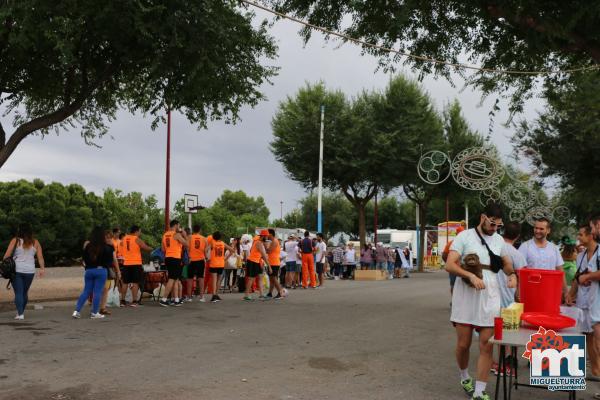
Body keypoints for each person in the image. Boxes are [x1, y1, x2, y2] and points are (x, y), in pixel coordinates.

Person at [445, 203, 516, 400]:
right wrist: (471, 276)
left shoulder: (499, 239)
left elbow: (506, 262)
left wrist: (512, 274)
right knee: (463, 344)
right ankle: (464, 376)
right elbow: (449, 265)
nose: (494, 229)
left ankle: (479, 391)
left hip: (490, 295)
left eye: (498, 226)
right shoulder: (464, 236)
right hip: (466, 295)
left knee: (487, 344)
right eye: (492, 224)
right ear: (483, 217)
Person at [490, 221, 527, 376]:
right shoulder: (517, 254)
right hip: (507, 299)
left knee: (489, 331)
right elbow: (523, 277)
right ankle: (504, 365)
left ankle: (494, 362)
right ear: (518, 236)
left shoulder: (492, 246)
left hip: (489, 295)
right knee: (506, 333)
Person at [566, 225, 600, 376]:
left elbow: (584, 276)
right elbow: (576, 278)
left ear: (590, 235)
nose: (578, 237)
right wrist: (570, 294)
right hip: (583, 303)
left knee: (598, 342)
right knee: (588, 340)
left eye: (580, 234)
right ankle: (596, 372)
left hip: (597, 302)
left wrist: (587, 277)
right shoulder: (580, 255)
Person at [73, 226, 119, 319]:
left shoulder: (88, 246)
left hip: (89, 270)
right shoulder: (107, 247)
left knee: (86, 291)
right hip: (101, 271)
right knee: (97, 292)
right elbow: (110, 261)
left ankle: (76, 311)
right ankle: (94, 313)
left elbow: (84, 259)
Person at [3, 224, 46, 320]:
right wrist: (42, 268)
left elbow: (6, 256)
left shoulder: (15, 241)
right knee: (24, 292)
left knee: (18, 292)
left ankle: (20, 314)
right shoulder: (36, 242)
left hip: (16, 270)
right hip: (30, 271)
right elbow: (40, 257)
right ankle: (21, 312)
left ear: (20, 231)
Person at [518, 217, 566, 294]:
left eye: (541, 229)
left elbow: (560, 271)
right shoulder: (525, 246)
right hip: (531, 291)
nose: (537, 231)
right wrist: (518, 290)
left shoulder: (554, 248)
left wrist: (566, 292)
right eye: (536, 228)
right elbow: (519, 271)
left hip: (550, 291)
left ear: (548, 230)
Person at [119, 225, 153, 307]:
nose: (140, 233)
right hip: (135, 264)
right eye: (140, 231)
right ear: (136, 231)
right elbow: (145, 247)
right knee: (135, 283)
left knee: (125, 283)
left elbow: (121, 247)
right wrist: (152, 249)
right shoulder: (136, 239)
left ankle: (122, 301)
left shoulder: (124, 239)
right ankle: (134, 301)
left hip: (126, 263)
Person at [159, 220, 188, 307]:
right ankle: (164, 299)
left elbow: (163, 249)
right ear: (175, 225)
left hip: (168, 257)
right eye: (178, 225)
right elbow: (187, 244)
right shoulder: (177, 234)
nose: (179, 227)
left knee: (175, 279)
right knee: (172, 278)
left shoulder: (165, 235)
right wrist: (185, 235)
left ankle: (176, 299)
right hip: (175, 258)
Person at [206, 231, 236, 303]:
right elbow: (232, 250)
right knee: (219, 280)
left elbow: (205, 250)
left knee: (214, 280)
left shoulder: (212, 243)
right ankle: (216, 294)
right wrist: (226, 258)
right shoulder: (223, 243)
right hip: (221, 264)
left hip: (213, 263)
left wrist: (207, 257)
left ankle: (214, 295)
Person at [243, 229, 271, 301]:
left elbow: (263, 254)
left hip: (257, 261)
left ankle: (261, 294)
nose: (267, 238)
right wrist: (269, 266)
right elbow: (264, 255)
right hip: (252, 261)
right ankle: (246, 295)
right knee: (251, 279)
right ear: (263, 236)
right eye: (267, 236)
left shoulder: (259, 242)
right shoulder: (258, 243)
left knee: (260, 277)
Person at [99, 230, 122, 315]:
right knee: (102, 289)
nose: (109, 239)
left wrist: (118, 271)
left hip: (107, 269)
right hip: (100, 270)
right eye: (107, 237)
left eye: (110, 238)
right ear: (103, 238)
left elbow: (114, 259)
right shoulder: (100, 246)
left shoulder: (111, 247)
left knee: (106, 289)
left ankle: (103, 308)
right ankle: (97, 308)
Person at [186, 224, 208, 302]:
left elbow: (187, 248)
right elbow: (205, 251)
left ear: (193, 230)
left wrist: (189, 256)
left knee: (190, 278)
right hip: (201, 260)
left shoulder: (189, 237)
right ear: (200, 230)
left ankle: (189, 297)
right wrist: (206, 257)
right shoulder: (204, 239)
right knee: (201, 278)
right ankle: (201, 297)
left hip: (191, 260)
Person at [443, 226, 465, 296]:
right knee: (465, 285)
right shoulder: (467, 243)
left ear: (456, 234)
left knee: (453, 285)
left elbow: (444, 255)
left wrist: (449, 262)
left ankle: (454, 300)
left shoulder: (450, 243)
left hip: (453, 268)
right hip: (464, 268)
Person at [266, 228, 285, 299]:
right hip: (272, 262)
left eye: (267, 234)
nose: (266, 236)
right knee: (272, 279)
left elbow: (269, 251)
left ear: (270, 234)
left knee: (274, 278)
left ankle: (280, 292)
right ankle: (270, 293)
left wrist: (264, 246)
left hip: (274, 262)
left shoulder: (274, 241)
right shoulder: (273, 241)